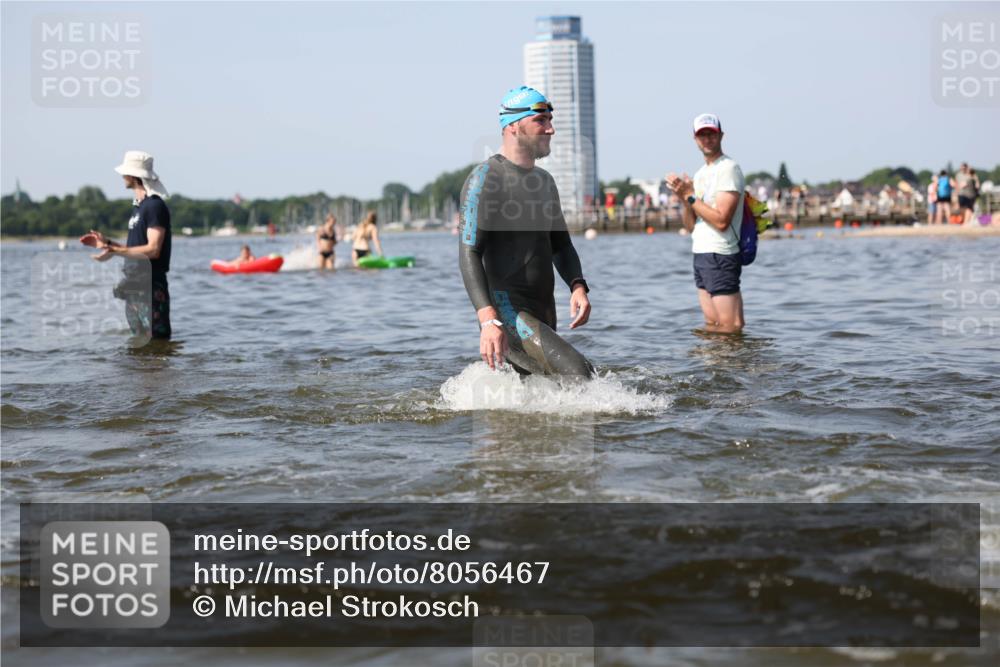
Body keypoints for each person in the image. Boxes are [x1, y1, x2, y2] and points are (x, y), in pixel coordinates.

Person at [458, 85, 593, 378]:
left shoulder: (544, 181)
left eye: (550, 120)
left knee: (545, 399)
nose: (550, 129)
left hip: (544, 313)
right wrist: (488, 320)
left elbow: (561, 245)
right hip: (509, 315)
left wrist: (577, 285)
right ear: (514, 126)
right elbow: (469, 252)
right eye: (541, 120)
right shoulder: (486, 178)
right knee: (580, 374)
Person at [666, 113, 745, 334]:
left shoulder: (728, 168)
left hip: (721, 253)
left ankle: (732, 367)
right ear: (695, 139)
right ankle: (714, 368)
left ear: (721, 135)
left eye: (711, 133)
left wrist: (691, 196)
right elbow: (692, 225)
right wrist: (684, 198)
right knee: (712, 325)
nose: (707, 139)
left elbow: (721, 221)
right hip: (701, 253)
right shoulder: (701, 174)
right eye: (702, 134)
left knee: (730, 327)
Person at [87, 151, 172, 340]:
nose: (122, 176)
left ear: (133, 176)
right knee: (138, 342)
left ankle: (159, 370)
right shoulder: (138, 208)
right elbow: (135, 247)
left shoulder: (154, 206)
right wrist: (108, 244)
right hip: (134, 284)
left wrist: (117, 251)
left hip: (151, 284)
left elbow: (153, 249)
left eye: (124, 172)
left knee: (156, 342)